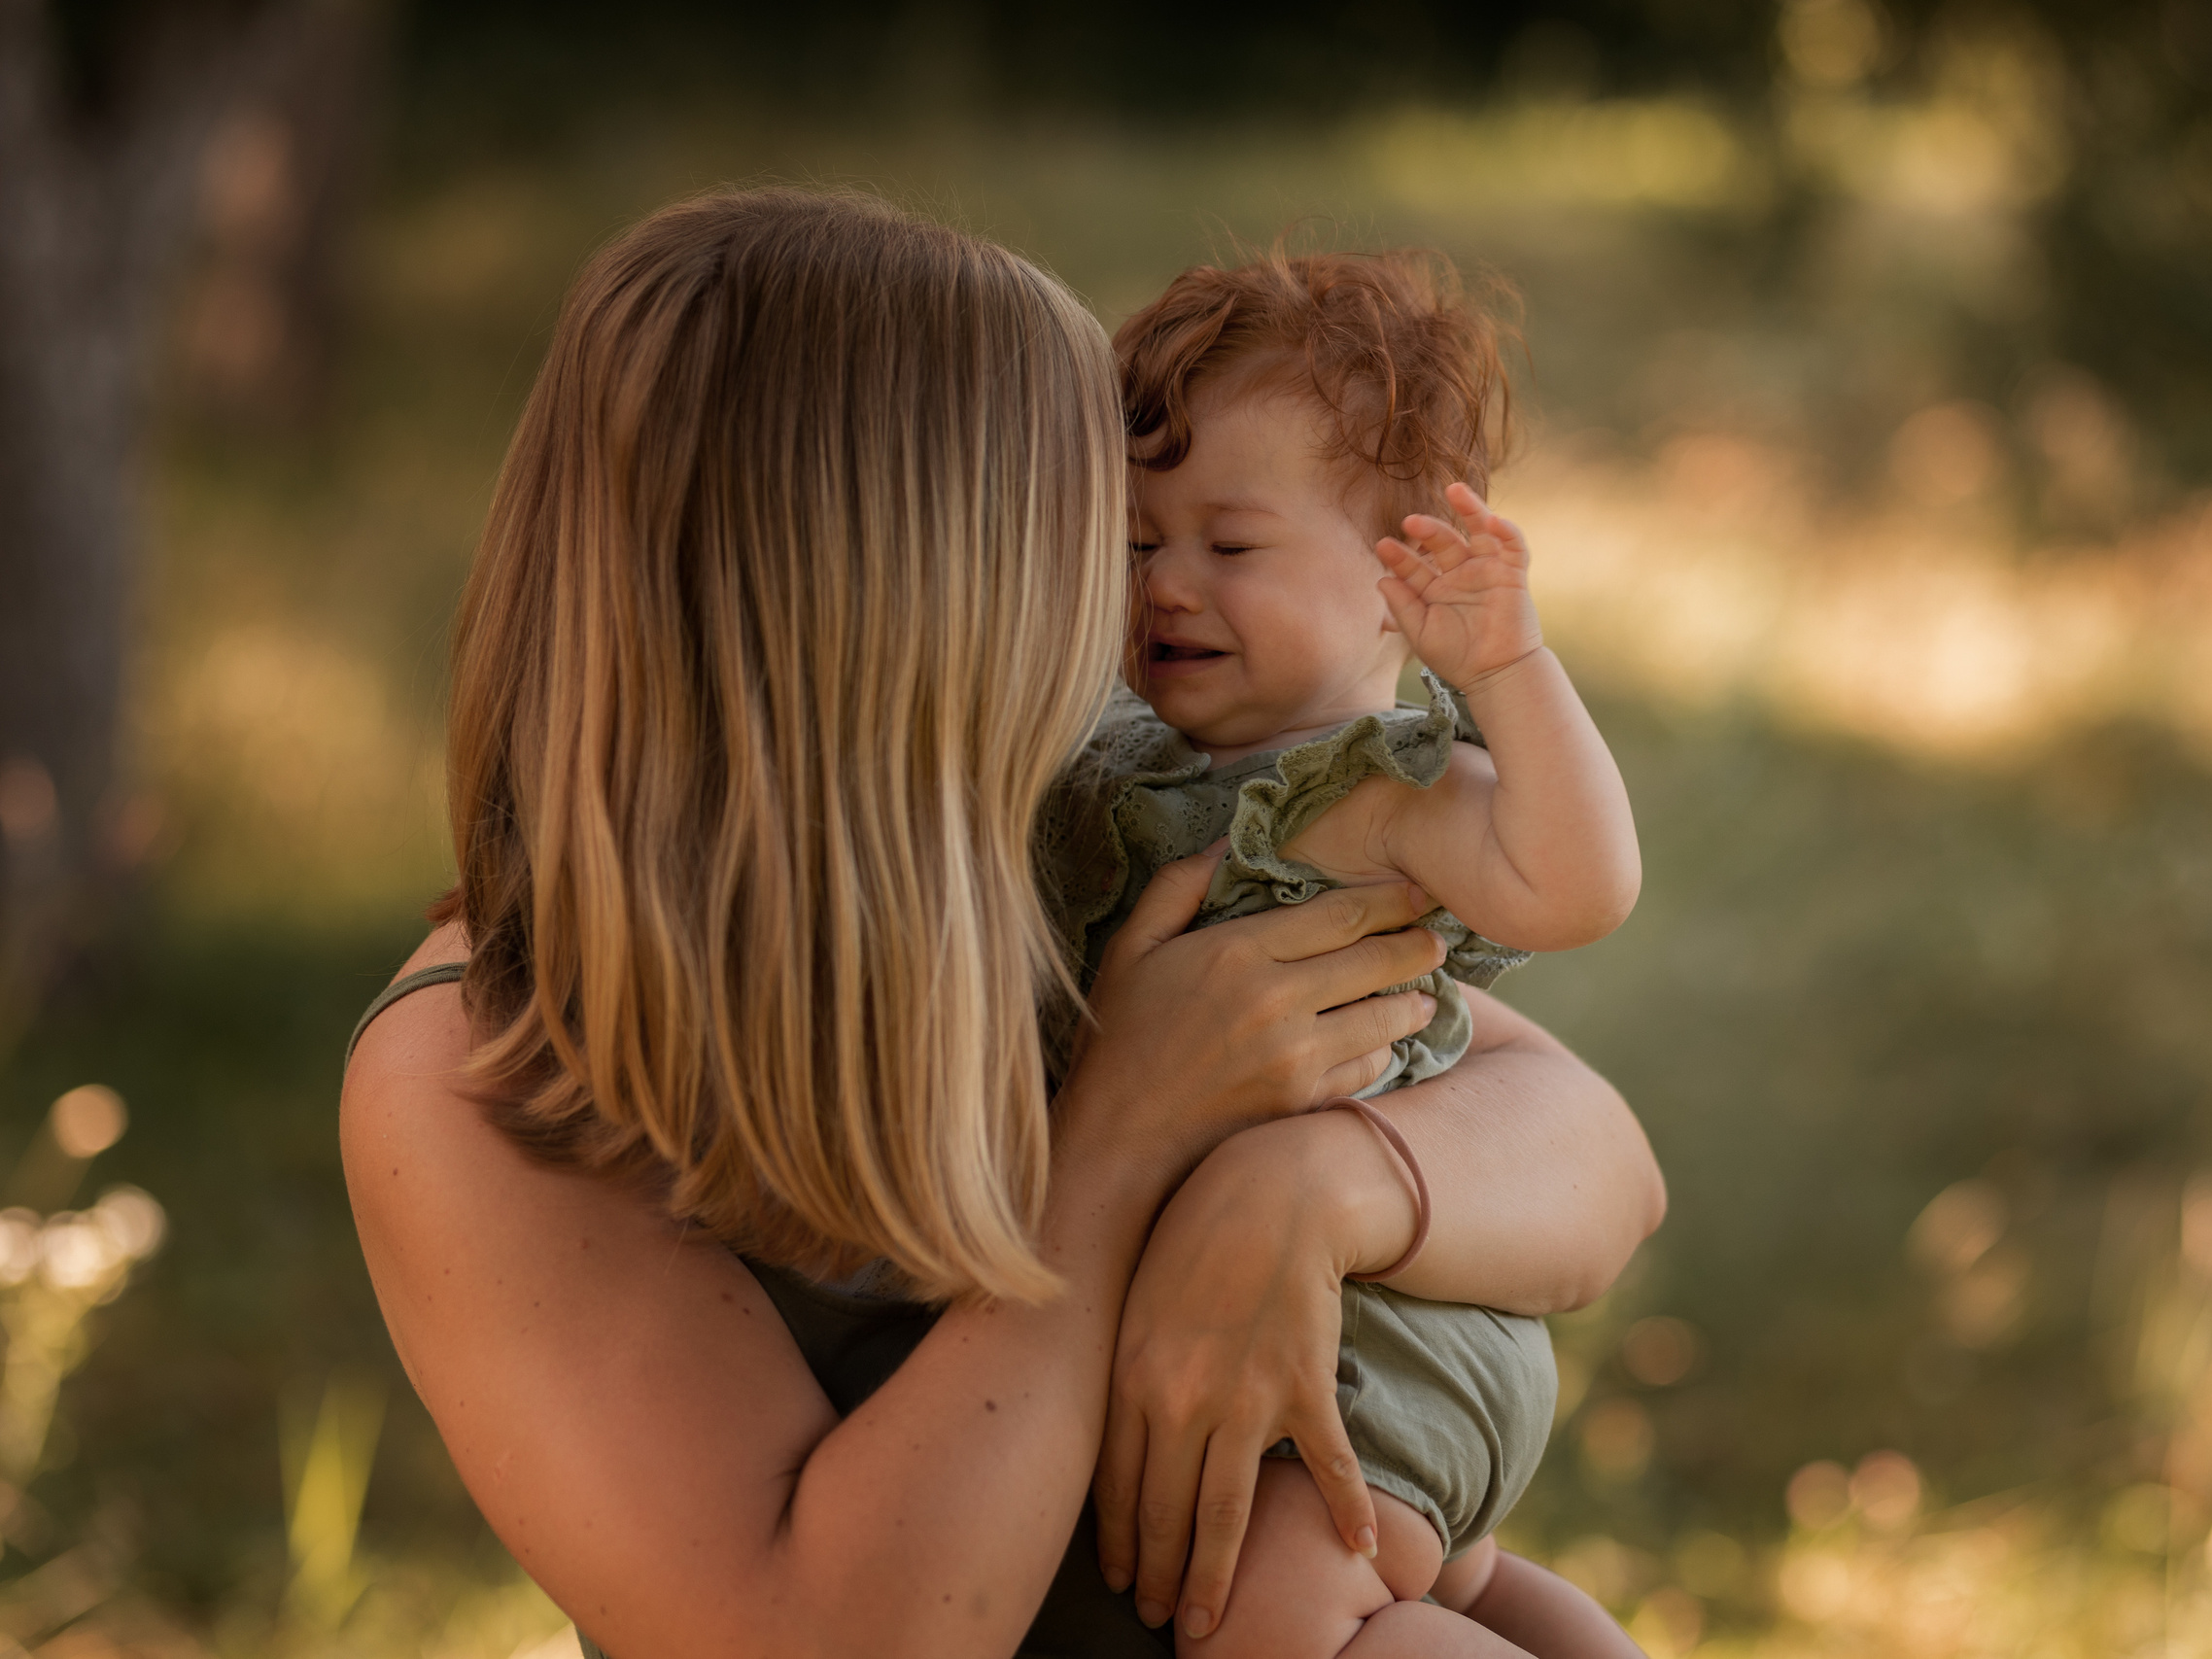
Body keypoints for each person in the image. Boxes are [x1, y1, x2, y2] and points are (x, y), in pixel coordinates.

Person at [339, 188, 1666, 1659]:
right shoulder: (486, 1056)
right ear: (894, 582)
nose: (1138, 591)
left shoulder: (1021, 830)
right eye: (1101, 531)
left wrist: (1307, 1186)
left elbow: (1589, 1144)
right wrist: (1115, 1150)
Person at [1033, 250, 1642, 1658]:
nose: (1170, 584)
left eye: (1231, 547)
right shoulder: (1127, 762)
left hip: (1376, 1330)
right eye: (1138, 543)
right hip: (1280, 1312)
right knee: (1465, 1588)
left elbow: (1578, 888)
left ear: (1396, 580)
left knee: (1258, 1611)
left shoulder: (1377, 787)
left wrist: (1506, 667)